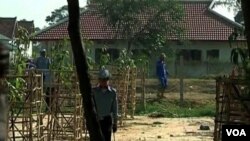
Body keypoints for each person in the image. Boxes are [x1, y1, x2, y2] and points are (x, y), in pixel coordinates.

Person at [92, 68, 118, 141]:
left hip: (107, 120)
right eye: (102, 79)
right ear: (99, 80)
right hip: (97, 120)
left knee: (106, 139)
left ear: (108, 80)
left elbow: (115, 109)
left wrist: (115, 123)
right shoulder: (94, 92)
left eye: (105, 79)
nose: (103, 81)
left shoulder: (112, 92)